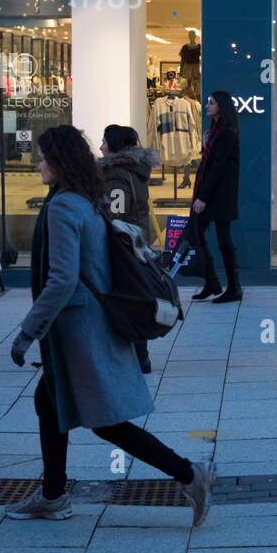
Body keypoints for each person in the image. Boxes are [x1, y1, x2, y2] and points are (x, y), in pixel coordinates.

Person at [7, 125, 215, 524]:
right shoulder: (87, 198)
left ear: (60, 161)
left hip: (78, 330)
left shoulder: (65, 206)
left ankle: (190, 475)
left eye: (43, 158)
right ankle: (52, 495)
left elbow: (62, 279)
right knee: (48, 402)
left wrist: (27, 331)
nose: (38, 165)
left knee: (106, 422)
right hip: (89, 322)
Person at [99, 123, 160, 374]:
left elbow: (116, 213)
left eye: (104, 141)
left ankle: (136, 357)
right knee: (133, 298)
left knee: (122, 299)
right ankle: (140, 356)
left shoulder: (115, 174)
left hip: (122, 245)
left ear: (113, 145)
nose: (100, 146)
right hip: (136, 240)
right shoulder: (135, 170)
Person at [189, 91, 242, 304]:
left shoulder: (227, 132)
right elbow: (210, 163)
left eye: (211, 103)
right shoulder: (216, 130)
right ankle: (212, 282)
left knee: (223, 240)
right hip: (212, 192)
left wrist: (202, 198)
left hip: (219, 195)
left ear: (221, 106)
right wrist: (204, 146)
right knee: (199, 234)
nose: (207, 105)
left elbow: (218, 168)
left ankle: (233, 287)